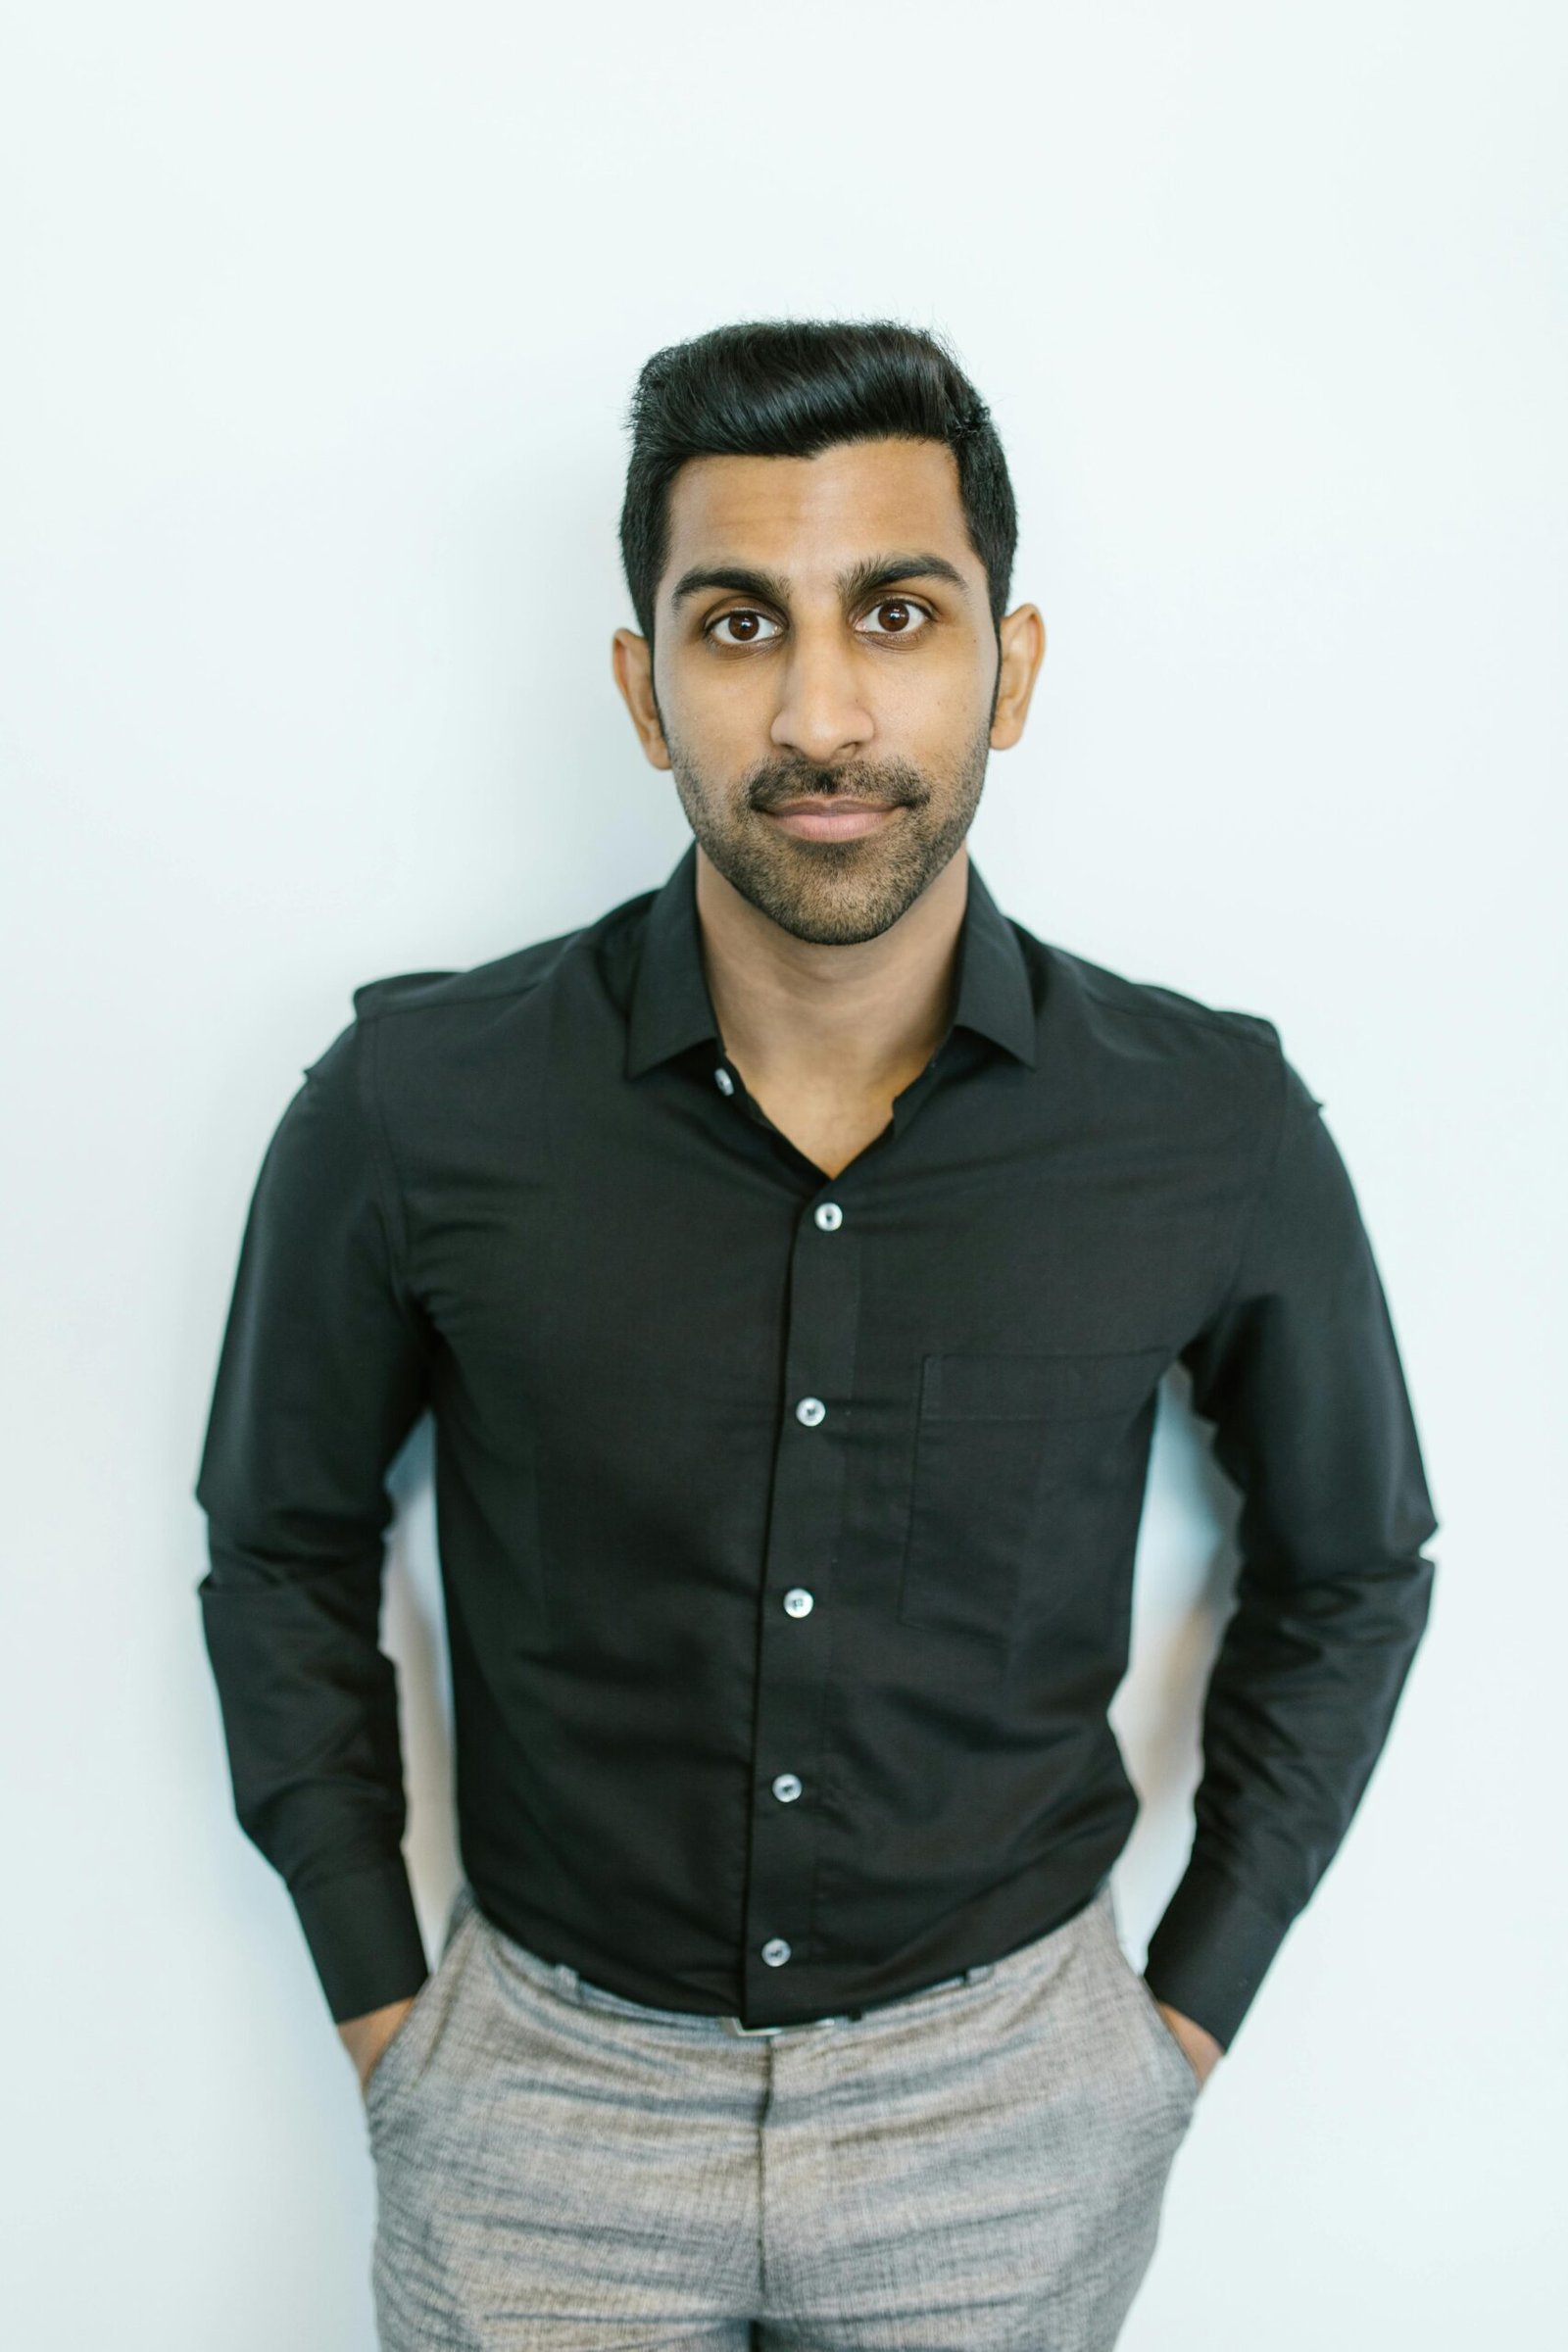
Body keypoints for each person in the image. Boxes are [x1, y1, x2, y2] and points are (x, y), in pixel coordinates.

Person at [194, 318, 1439, 2351]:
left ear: (1005, 669)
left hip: (1009, 2112)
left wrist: (1171, 2035)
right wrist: (390, 2025)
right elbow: (278, 1546)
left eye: (896, 612)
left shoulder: (1203, 1122)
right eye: (738, 623)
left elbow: (1354, 1565)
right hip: (537, 2114)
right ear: (643, 685)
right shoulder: (415, 1102)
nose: (823, 709)